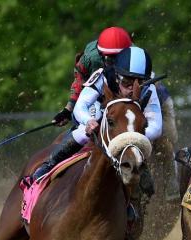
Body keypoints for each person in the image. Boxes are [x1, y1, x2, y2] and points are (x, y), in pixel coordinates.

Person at [32, 46, 162, 192]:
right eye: (127, 83)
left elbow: (156, 127)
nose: (133, 89)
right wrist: (89, 121)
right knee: (84, 130)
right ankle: (49, 164)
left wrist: (130, 133)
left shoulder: (150, 88)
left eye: (140, 83)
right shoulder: (103, 76)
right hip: (102, 113)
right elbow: (80, 106)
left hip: (129, 124)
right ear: (117, 76)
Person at [51, 27, 133, 127]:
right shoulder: (90, 58)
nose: (116, 62)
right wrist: (68, 110)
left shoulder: (135, 54)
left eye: (120, 57)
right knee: (95, 118)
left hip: (129, 95)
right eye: (111, 58)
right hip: (98, 95)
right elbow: (79, 81)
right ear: (101, 54)